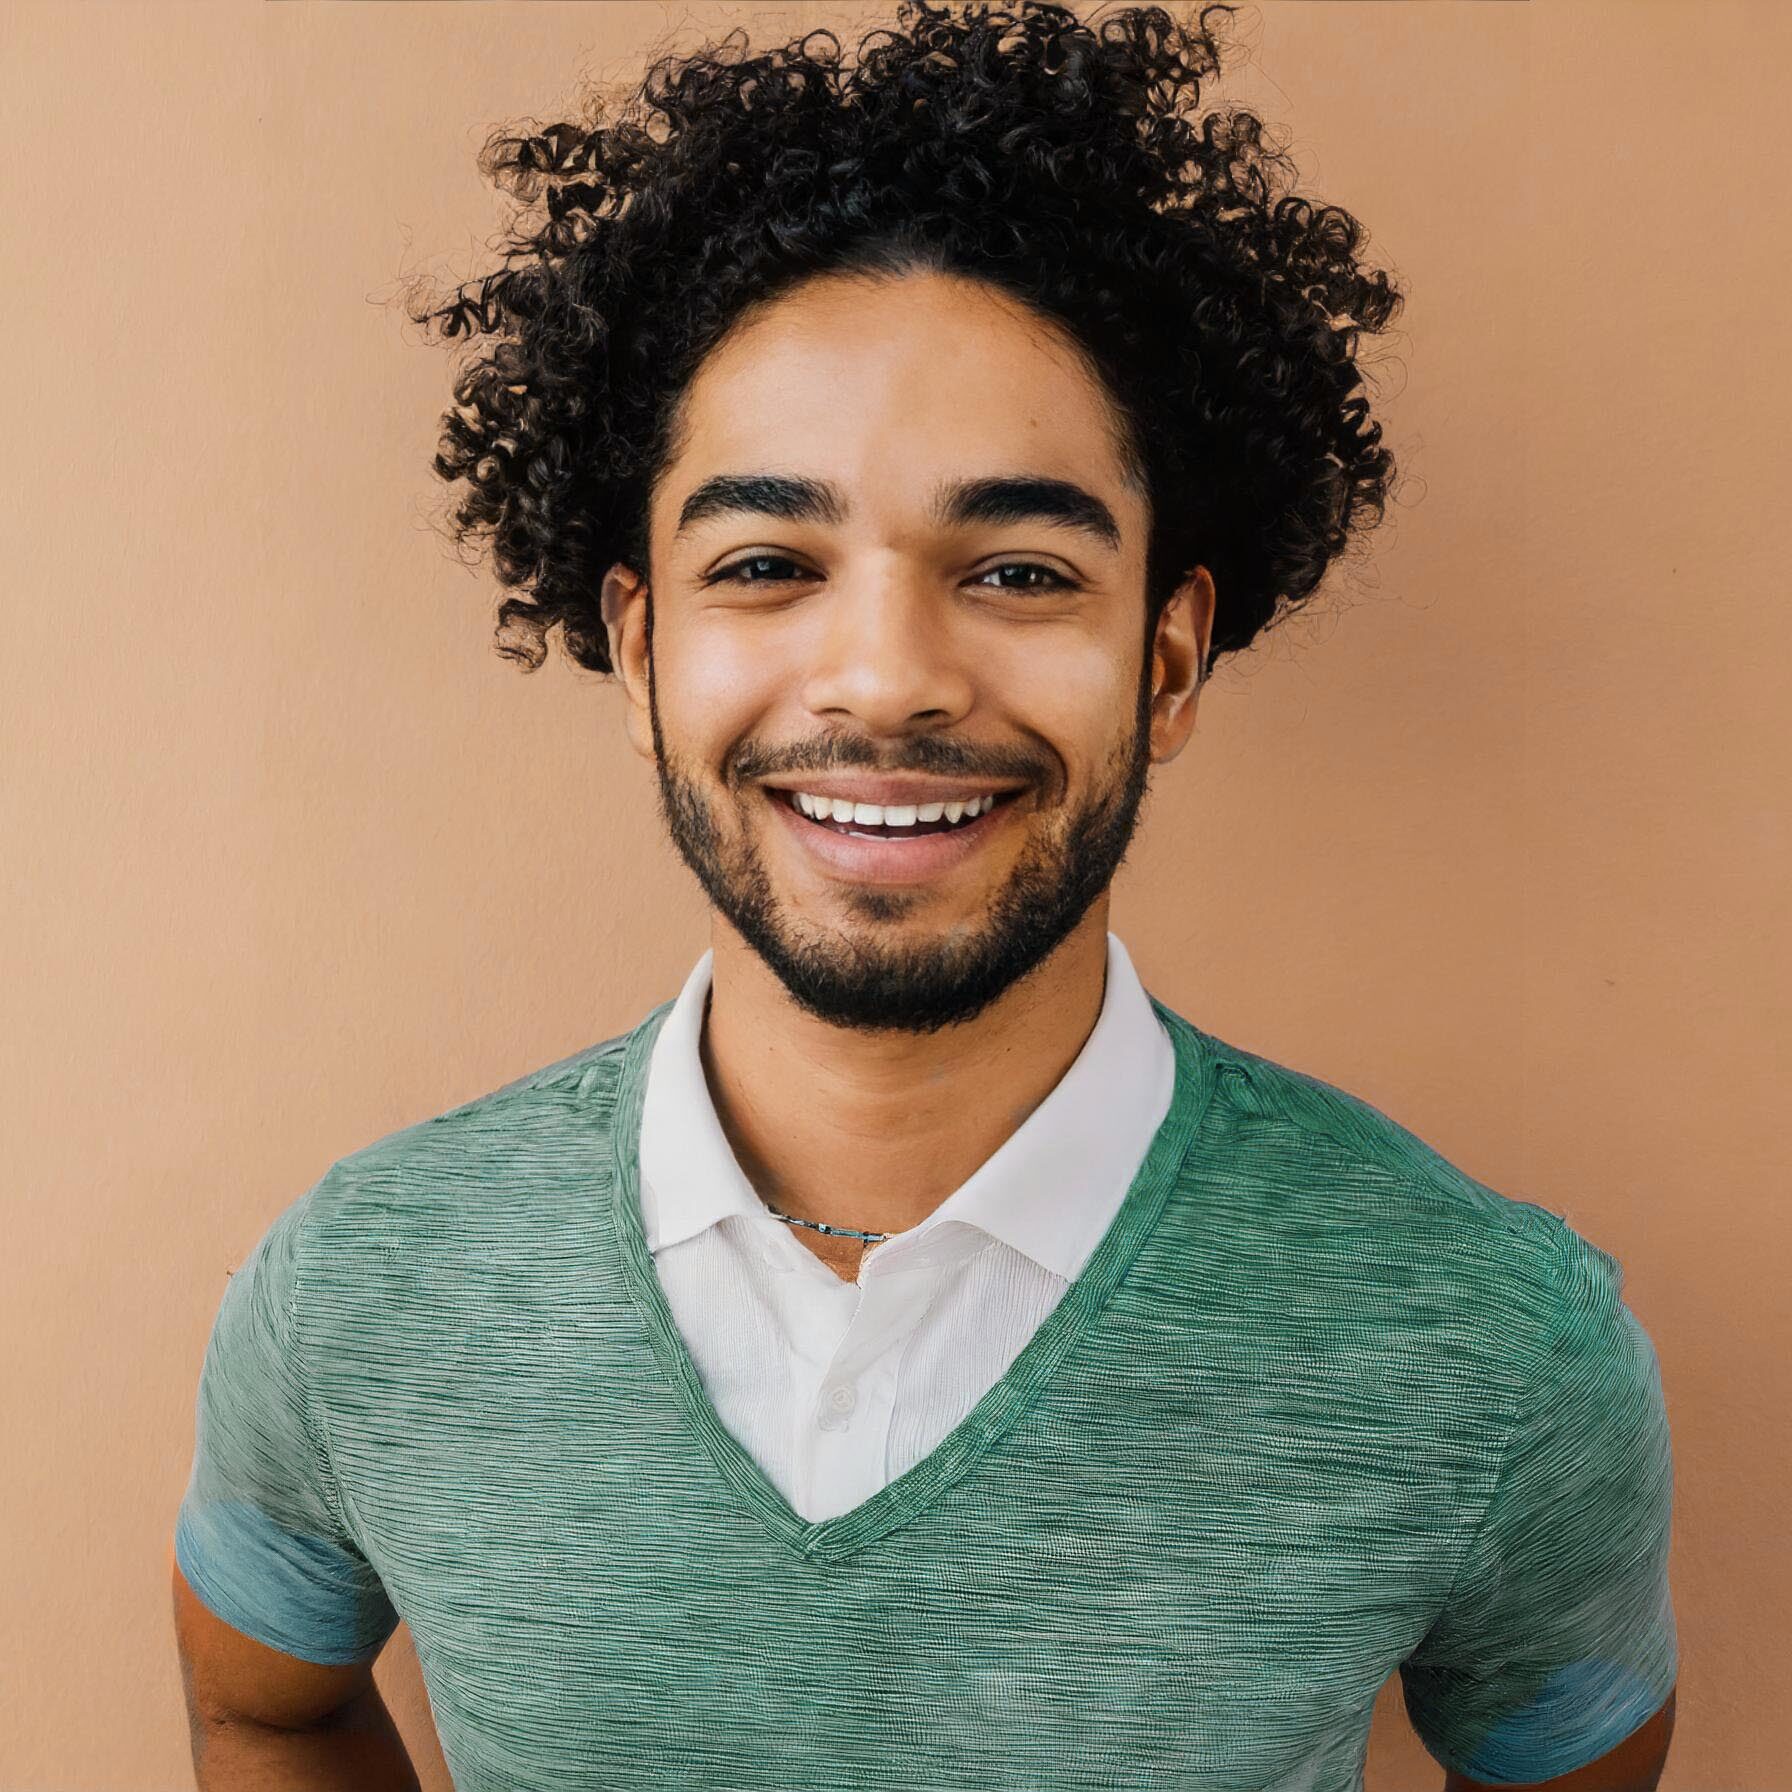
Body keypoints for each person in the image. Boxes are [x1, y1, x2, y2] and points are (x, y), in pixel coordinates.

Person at [169, 4, 1678, 1788]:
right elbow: (265, 1703)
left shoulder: (1495, 1347)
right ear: (640, 647)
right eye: (765, 563)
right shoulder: (360, 1293)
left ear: (1169, 660)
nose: (884, 678)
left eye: (1022, 566)